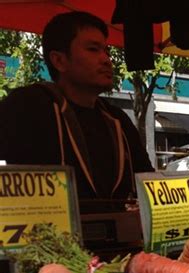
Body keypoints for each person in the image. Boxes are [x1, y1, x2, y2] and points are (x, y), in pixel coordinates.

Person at [0, 11, 154, 212]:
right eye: (93, 49)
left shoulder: (118, 120)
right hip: (48, 239)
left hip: (122, 242)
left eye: (106, 51)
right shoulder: (27, 106)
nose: (106, 60)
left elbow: (150, 184)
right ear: (59, 61)